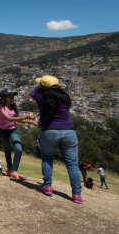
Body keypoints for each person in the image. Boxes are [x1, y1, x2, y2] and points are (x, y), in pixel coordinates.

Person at [31, 75, 82, 204]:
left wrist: (41, 84)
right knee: (72, 164)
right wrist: (57, 86)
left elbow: (33, 92)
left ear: (43, 87)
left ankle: (47, 186)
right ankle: (77, 194)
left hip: (49, 131)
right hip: (69, 131)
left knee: (47, 159)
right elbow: (62, 90)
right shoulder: (65, 97)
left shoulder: (41, 97)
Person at [0, 89, 37, 179]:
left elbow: (17, 119)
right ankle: (9, 169)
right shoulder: (0, 107)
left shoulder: (12, 106)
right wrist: (27, 116)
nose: (12, 98)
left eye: (13, 97)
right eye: (10, 97)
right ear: (4, 98)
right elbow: (9, 118)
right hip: (2, 130)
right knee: (7, 150)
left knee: (18, 149)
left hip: (13, 129)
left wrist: (30, 122)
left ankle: (14, 171)